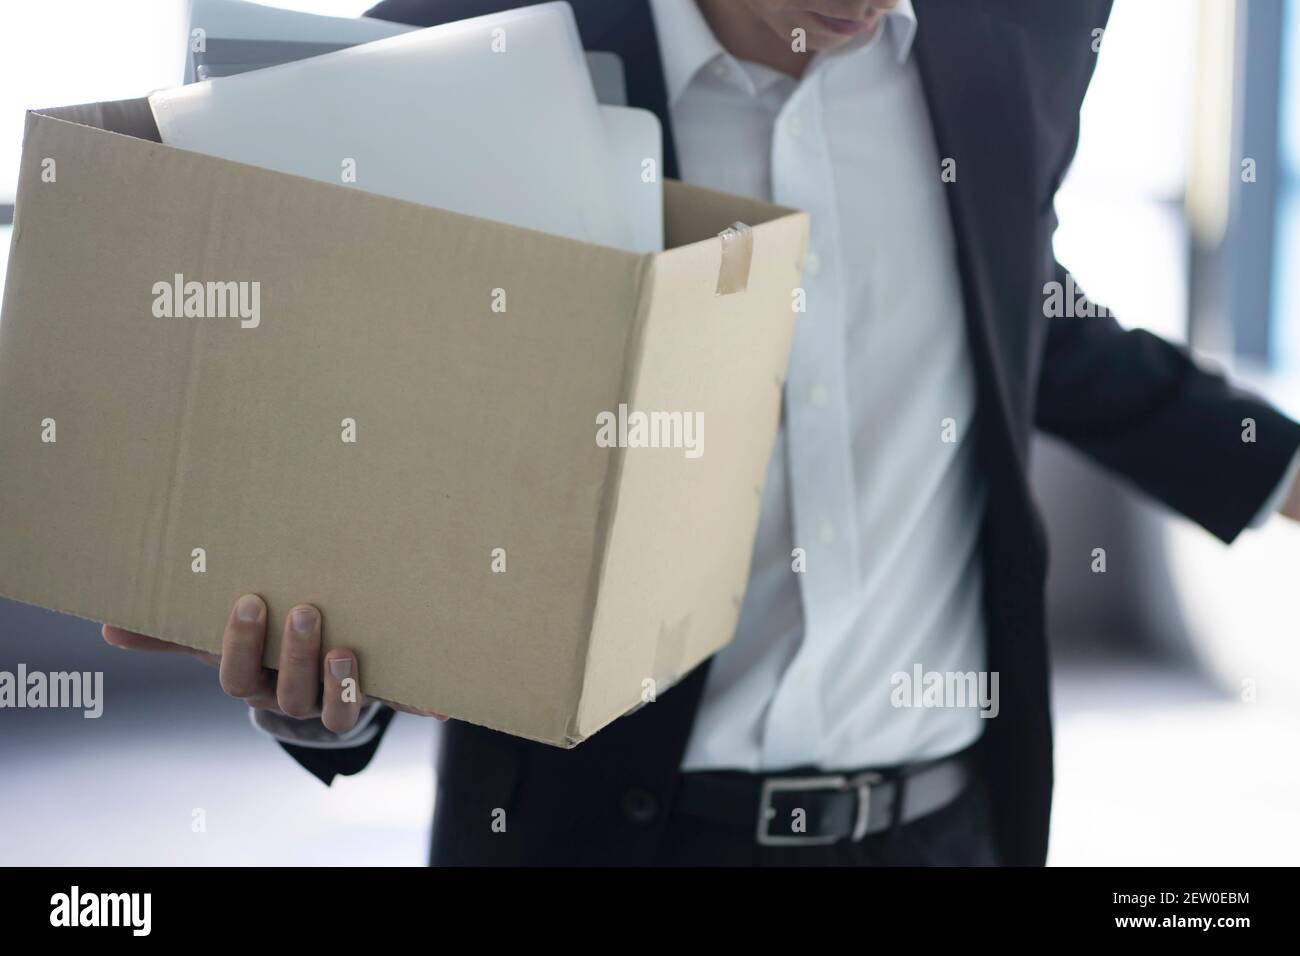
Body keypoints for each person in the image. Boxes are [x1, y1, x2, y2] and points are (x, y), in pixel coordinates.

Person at [104, 0, 1300, 866]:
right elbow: (336, 428)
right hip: (606, 831)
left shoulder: (1013, 37)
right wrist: (337, 686)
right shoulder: (461, 51)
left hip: (950, 827)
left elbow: (1019, 304)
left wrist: (1277, 465)